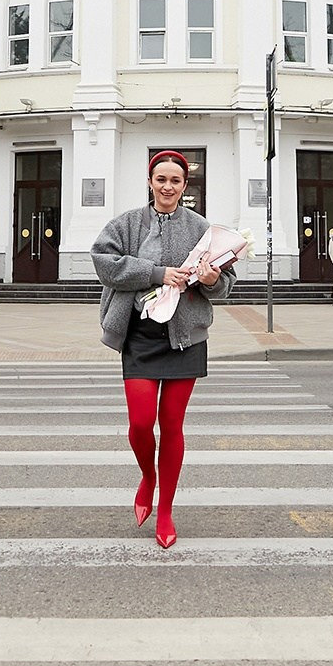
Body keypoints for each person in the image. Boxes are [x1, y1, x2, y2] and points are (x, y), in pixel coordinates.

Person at [91, 149, 235, 550]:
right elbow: (103, 261)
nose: (168, 186)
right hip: (138, 335)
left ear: (185, 186)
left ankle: (166, 509)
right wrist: (156, 273)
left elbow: (226, 285)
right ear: (150, 182)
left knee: (171, 426)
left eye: (176, 181)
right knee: (140, 424)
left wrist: (210, 279)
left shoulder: (202, 229)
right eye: (161, 179)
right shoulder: (127, 223)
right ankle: (148, 477)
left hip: (184, 338)